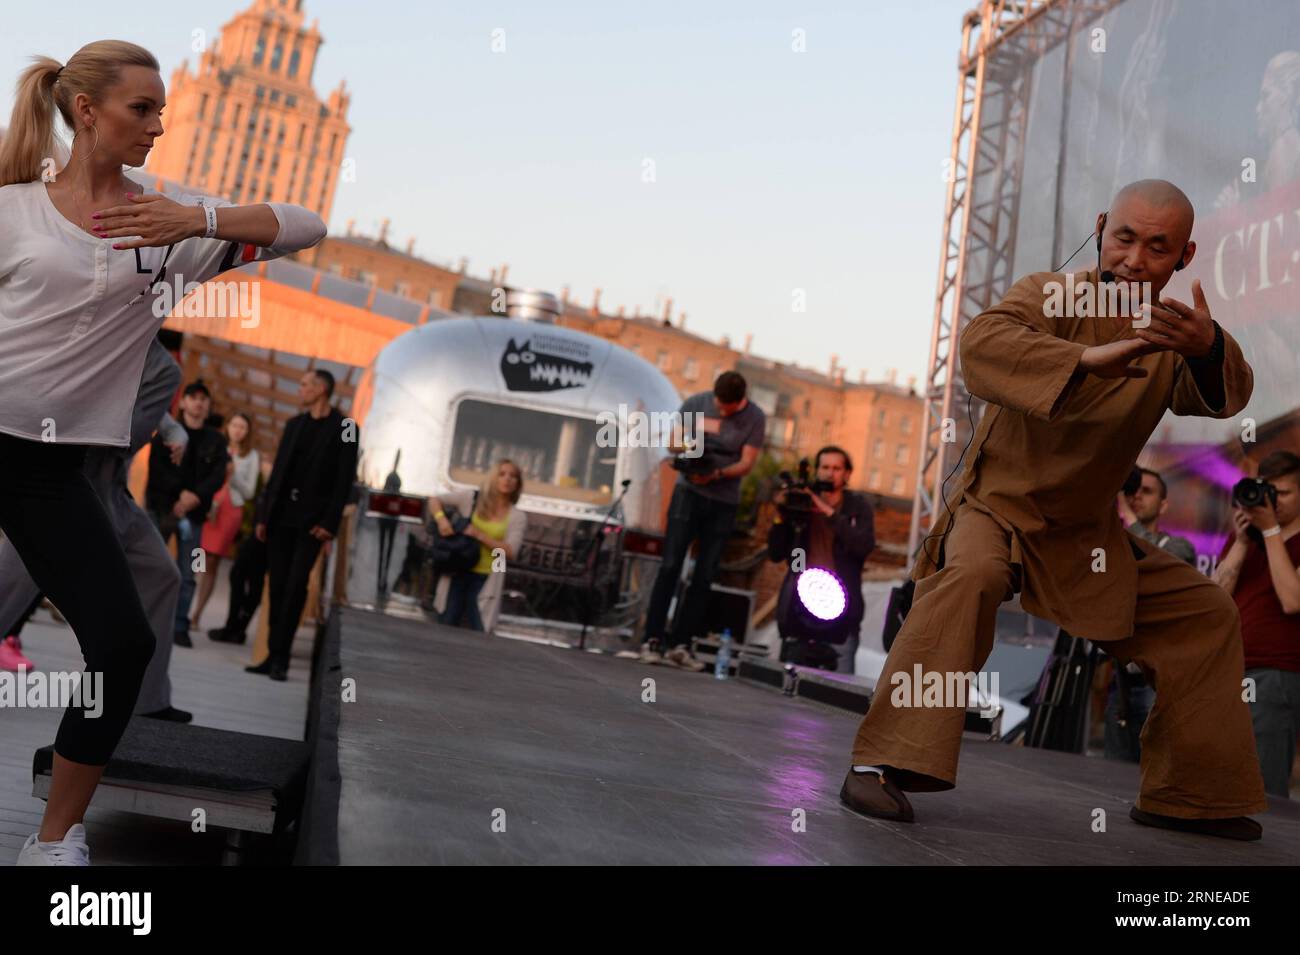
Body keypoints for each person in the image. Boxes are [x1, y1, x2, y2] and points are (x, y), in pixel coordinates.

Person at [841, 180, 1268, 841]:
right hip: (999, 511)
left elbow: (1223, 394)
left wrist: (1209, 348)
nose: (1133, 259)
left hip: (1086, 537)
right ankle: (880, 760)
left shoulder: (1170, 334)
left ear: (1184, 257)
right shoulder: (1054, 294)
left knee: (1204, 613)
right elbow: (983, 345)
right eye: (1124, 237)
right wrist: (1084, 359)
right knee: (973, 579)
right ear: (1100, 227)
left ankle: (1190, 795)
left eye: (1157, 247)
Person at [0, 39, 326, 865]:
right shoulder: (14, 210)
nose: (156, 125)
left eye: (161, 110)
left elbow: (309, 225)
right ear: (85, 111)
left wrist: (201, 219)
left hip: (49, 471)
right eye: (140, 109)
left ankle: (52, 841)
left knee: (121, 642)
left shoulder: (172, 224)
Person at [0, 337, 194, 720]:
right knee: (9, 585)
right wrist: (166, 426)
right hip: (52, 492)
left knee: (162, 575)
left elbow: (128, 428)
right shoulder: (89, 329)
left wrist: (169, 425)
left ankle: (149, 700)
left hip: (109, 494)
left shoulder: (158, 364)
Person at [637, 371, 766, 671]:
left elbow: (747, 462)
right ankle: (652, 639)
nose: (722, 411)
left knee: (705, 573)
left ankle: (681, 644)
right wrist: (689, 448)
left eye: (728, 408)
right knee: (670, 565)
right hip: (688, 494)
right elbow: (672, 443)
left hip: (723, 501)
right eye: (719, 405)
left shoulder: (755, 418)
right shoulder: (696, 403)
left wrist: (717, 473)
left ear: (740, 401)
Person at [245, 370, 358, 682]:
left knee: (296, 587)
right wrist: (264, 517)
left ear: (321, 389)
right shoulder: (294, 425)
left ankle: (281, 658)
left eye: (305, 384)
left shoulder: (346, 427)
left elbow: (345, 479)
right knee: (278, 585)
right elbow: (279, 472)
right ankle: (271, 655)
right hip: (281, 519)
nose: (300, 389)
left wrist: (330, 523)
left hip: (313, 525)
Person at [1212, 450, 1300, 797]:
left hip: (1275, 674)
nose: (1271, 500)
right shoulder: (1244, 536)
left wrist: (1272, 531)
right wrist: (1244, 542)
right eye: (1267, 490)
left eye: (1284, 493)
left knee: (1263, 786)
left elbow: (1292, 600)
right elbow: (1215, 599)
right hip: (1229, 668)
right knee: (1224, 778)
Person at [1104, 467, 1197, 762]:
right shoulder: (1112, 546)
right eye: (1133, 491)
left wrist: (1125, 512)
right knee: (1108, 776)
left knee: (1153, 767)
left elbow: (1154, 562)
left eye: (1147, 492)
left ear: (1164, 504)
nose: (1137, 497)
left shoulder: (1179, 547)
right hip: (1119, 680)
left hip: (1156, 682)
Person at [767, 446, 876, 673]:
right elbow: (776, 553)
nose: (830, 473)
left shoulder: (858, 507)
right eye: (825, 467)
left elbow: (863, 546)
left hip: (842, 613)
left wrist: (827, 511)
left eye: (836, 468)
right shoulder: (801, 503)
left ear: (847, 474)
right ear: (816, 471)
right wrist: (782, 514)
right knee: (789, 686)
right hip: (800, 609)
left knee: (837, 692)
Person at [144, 380, 229, 647]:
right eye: (193, 397)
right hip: (161, 510)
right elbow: (156, 470)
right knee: (150, 566)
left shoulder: (217, 440)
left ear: (208, 406)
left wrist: (195, 497)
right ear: (182, 402)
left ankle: (181, 626)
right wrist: (180, 496)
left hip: (196, 518)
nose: (198, 402)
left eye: (204, 399)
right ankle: (143, 619)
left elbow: (218, 475)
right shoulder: (166, 434)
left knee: (192, 571)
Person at [429, 460, 527, 633]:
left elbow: (510, 552)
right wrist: (441, 519)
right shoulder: (471, 499)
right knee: (447, 623)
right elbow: (434, 499)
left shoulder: (517, 516)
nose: (507, 479)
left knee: (480, 629)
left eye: (513, 476)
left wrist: (480, 535)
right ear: (493, 477)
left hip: (488, 577)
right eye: (502, 474)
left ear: (518, 484)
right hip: (459, 569)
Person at [191, 412, 259, 629]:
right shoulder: (216, 445)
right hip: (209, 506)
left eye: (243, 427)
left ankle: (197, 614)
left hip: (231, 511)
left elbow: (249, 492)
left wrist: (233, 473)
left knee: (212, 563)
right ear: (228, 426)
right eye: (235, 425)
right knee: (196, 557)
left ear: (247, 432)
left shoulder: (251, 456)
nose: (238, 430)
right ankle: (185, 605)